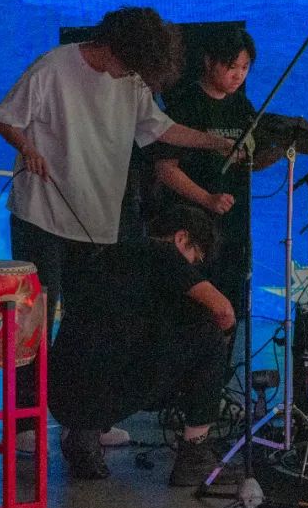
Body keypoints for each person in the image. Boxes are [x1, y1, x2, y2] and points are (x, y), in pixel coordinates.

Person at [0, 6, 242, 451]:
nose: (129, 74)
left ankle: (89, 419)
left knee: (97, 320)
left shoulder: (132, 79)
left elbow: (159, 129)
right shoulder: (54, 66)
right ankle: (25, 422)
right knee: (36, 318)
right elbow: (4, 117)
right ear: (111, 45)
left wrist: (215, 142)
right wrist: (27, 147)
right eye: (128, 63)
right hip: (42, 211)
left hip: (97, 216)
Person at [48, 205, 240, 485]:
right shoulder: (164, 253)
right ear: (181, 238)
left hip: (62, 395)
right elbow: (223, 310)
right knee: (208, 334)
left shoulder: (110, 253)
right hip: (107, 390)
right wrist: (223, 342)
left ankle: (83, 436)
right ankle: (195, 455)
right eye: (196, 257)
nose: (193, 267)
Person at [146, 26, 263, 312]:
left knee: (231, 302)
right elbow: (165, 168)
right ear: (209, 62)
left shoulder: (243, 107)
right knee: (191, 306)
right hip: (192, 225)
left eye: (245, 68)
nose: (238, 75)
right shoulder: (185, 104)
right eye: (231, 67)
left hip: (233, 225)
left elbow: (250, 162)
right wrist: (206, 199)